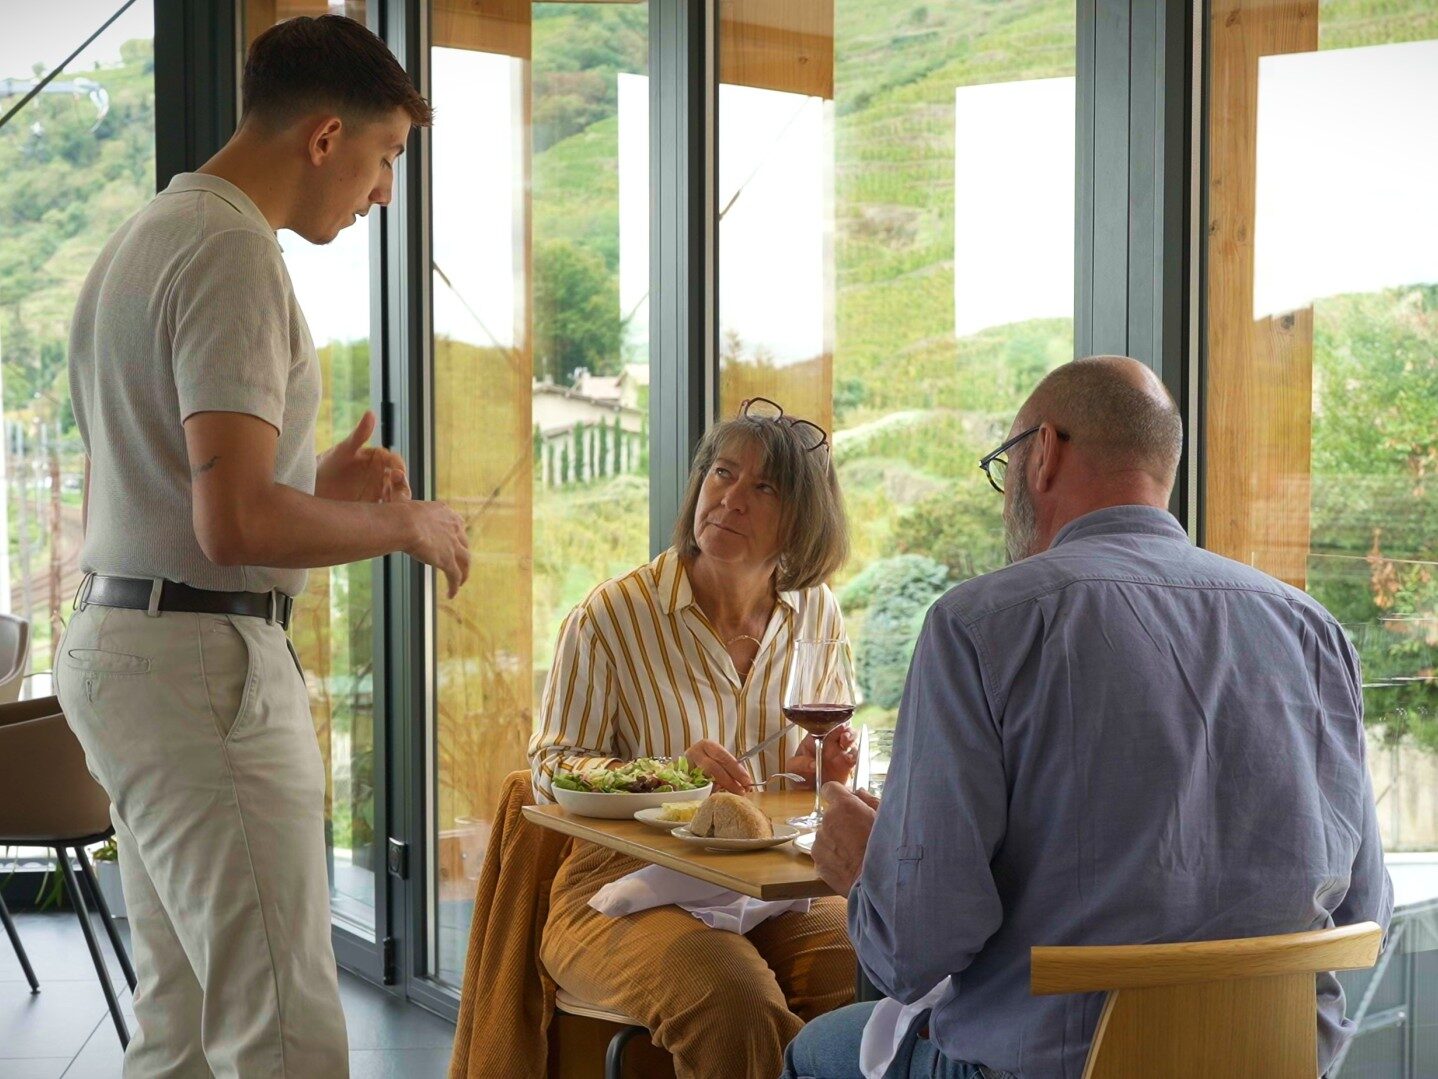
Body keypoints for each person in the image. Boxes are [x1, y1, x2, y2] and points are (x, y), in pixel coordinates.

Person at [786, 356, 1393, 1079]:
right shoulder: (1313, 630)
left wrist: (866, 875)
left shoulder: (979, 624)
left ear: (1042, 454)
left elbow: (913, 952)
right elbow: (1366, 917)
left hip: (1041, 1069)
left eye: (1002, 464)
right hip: (1271, 1062)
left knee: (814, 1050)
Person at [58, 16, 470, 1078]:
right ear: (326, 137)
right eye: (386, 159)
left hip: (129, 643)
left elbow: (179, 488)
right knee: (282, 1027)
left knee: (187, 1027)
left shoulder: (152, 231)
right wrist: (398, 523)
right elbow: (230, 523)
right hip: (201, 670)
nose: (383, 193)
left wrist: (318, 496)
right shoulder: (235, 251)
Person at [529, 399, 859, 1078]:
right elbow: (550, 768)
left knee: (864, 962)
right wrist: (667, 773)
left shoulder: (817, 614)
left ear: (803, 519)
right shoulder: (612, 616)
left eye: (762, 487)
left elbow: (814, 778)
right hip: (618, 888)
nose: (730, 498)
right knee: (732, 998)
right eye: (722, 473)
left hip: (771, 886)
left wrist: (810, 773)